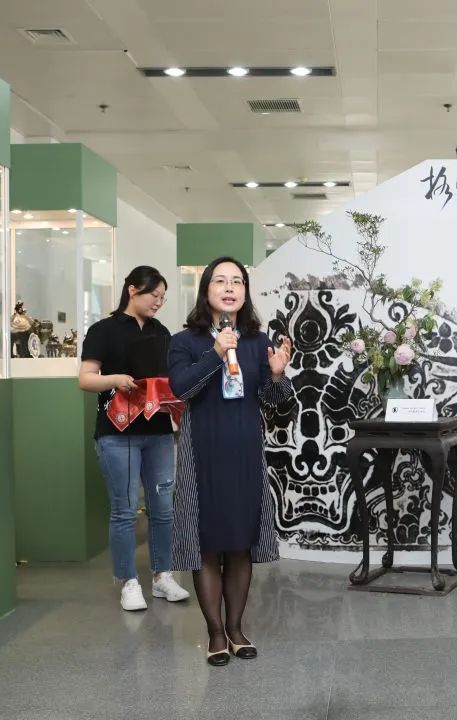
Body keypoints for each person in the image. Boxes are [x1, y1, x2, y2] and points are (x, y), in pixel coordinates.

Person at [167, 256, 293, 666]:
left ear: (245, 292)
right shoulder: (184, 341)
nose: (229, 288)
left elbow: (274, 402)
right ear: (206, 290)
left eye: (237, 281)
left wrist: (277, 375)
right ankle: (216, 634)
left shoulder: (257, 340)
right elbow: (182, 388)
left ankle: (236, 629)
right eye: (220, 281)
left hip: (244, 453)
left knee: (240, 544)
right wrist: (216, 352)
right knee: (206, 544)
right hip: (201, 454)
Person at [78, 265, 190, 610]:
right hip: (117, 433)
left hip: (158, 432)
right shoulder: (103, 330)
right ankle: (128, 581)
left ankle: (162, 576)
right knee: (125, 510)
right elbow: (85, 379)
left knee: (163, 508)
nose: (158, 302)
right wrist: (115, 379)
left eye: (162, 297)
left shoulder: (162, 332)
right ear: (132, 290)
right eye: (154, 294)